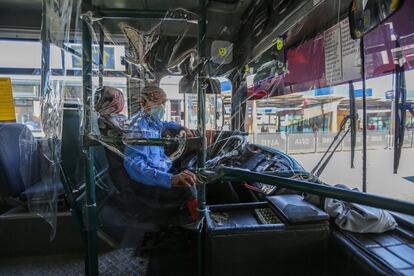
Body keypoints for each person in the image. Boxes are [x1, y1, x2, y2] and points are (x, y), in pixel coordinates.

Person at [123, 86, 197, 189]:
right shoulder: (138, 127)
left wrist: (181, 127)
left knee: (194, 163)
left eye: (163, 103)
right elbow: (134, 165)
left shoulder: (152, 121)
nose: (162, 107)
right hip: (152, 181)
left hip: (163, 168)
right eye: (158, 102)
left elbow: (165, 124)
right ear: (143, 103)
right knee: (192, 183)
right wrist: (171, 179)